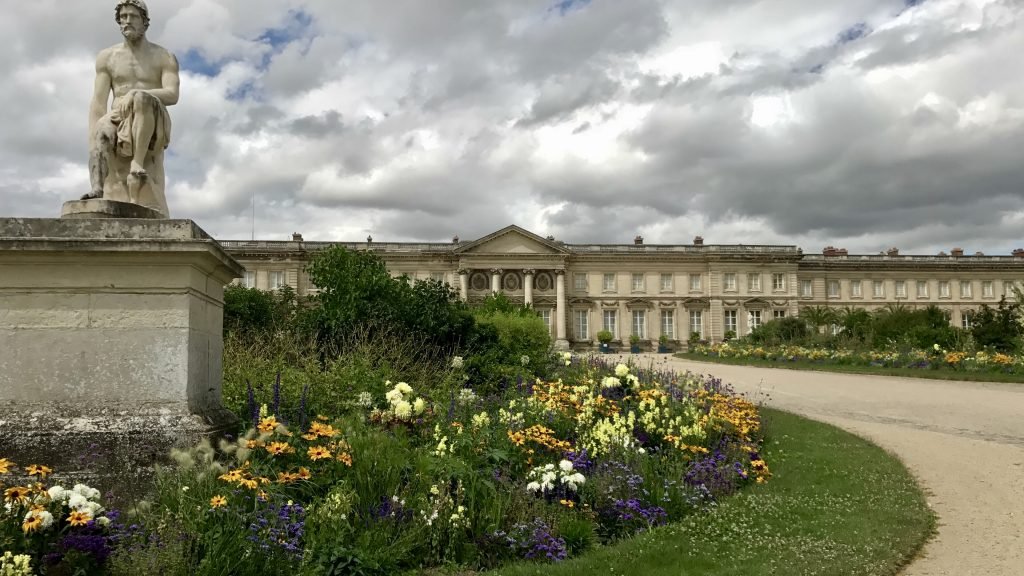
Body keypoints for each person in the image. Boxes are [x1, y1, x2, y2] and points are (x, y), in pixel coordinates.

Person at [83, 0, 179, 217]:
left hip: (153, 116)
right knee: (101, 130)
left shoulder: (164, 56)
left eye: (133, 16)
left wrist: (136, 94)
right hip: (119, 116)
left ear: (145, 22)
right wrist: (94, 137)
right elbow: (98, 102)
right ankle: (97, 187)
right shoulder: (107, 57)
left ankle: (137, 163)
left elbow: (172, 95)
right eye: (123, 17)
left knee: (140, 98)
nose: (127, 21)